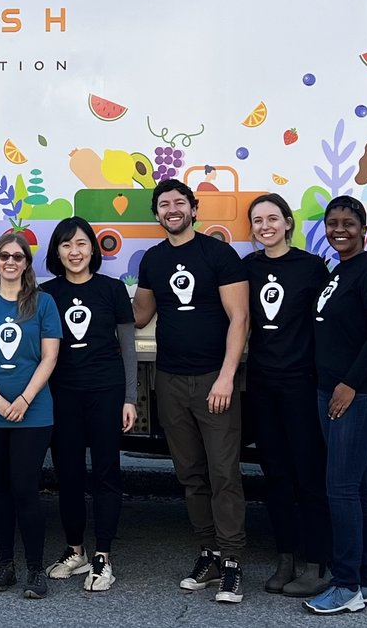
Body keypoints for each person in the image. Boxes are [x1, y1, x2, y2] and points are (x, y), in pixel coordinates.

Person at [132, 179, 250, 604]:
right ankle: (210, 553)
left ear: (194, 209)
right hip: (170, 380)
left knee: (224, 474)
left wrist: (225, 376)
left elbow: (240, 319)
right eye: (163, 205)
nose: (172, 209)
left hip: (213, 380)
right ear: (157, 214)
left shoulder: (218, 254)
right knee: (190, 475)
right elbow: (140, 314)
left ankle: (234, 563)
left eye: (179, 203)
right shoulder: (153, 259)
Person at [304, 196, 367, 615]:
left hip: (359, 395)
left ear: (363, 228)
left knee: (340, 490)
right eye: (331, 223)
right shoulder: (340, 271)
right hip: (334, 391)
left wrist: (348, 384)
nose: (338, 229)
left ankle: (346, 587)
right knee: (358, 490)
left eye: (347, 222)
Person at [41, 217, 137, 592]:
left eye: (81, 244)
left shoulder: (112, 290)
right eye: (66, 245)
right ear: (57, 252)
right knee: (67, 473)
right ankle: (75, 550)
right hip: (62, 393)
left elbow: (127, 347)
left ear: (93, 249)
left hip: (106, 391)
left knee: (106, 473)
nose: (75, 252)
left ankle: (103, 556)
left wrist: (130, 398)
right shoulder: (47, 294)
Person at [243, 194, 332, 597]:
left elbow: (327, 323)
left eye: (272, 218)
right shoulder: (246, 269)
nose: (266, 226)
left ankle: (317, 563)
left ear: (288, 223)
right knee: (275, 475)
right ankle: (285, 559)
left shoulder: (312, 268)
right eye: (258, 220)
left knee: (308, 474)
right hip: (262, 384)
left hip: (301, 383)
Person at [0, 232, 61, 599]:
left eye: (17, 257)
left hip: (33, 413)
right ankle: (5, 564)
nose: (10, 262)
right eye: (3, 256)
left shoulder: (43, 303)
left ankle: (35, 569)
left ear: (26, 263)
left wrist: (23, 398)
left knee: (25, 489)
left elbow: (49, 357)